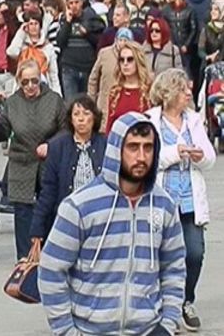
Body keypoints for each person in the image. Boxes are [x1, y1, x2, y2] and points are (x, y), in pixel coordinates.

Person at [39, 113, 186, 336]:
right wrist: (66, 330)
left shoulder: (164, 205)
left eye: (148, 148)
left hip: (148, 329)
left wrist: (168, 324)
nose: (141, 156)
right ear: (116, 149)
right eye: (133, 147)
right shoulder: (79, 206)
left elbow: (174, 268)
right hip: (89, 329)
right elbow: (51, 270)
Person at [145, 68, 216, 332]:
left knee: (194, 253)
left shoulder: (194, 120)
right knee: (162, 257)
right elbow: (150, 161)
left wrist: (199, 155)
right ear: (169, 93)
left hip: (189, 201)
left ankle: (186, 299)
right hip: (163, 200)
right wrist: (177, 151)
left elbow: (209, 157)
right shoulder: (151, 121)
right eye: (184, 90)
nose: (189, 93)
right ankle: (167, 310)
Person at [0, 59, 65, 259]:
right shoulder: (12, 103)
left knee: (50, 206)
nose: (30, 86)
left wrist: (51, 145)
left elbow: (65, 128)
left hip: (47, 160)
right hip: (21, 159)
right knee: (22, 210)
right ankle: (24, 257)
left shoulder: (54, 100)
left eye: (34, 81)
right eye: (25, 82)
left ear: (40, 79)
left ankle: (50, 254)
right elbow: (2, 130)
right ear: (18, 81)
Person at [29, 96, 106, 242]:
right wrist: (37, 228)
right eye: (76, 114)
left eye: (86, 113)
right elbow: (49, 190)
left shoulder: (105, 145)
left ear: (94, 117)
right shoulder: (58, 146)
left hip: (99, 218)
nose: (81, 119)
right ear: (70, 119)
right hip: (68, 219)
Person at [57, 0, 104, 98]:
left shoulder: (92, 18)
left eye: (76, 2)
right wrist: (68, 23)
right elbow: (60, 41)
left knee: (86, 103)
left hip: (87, 67)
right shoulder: (64, 20)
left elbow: (99, 42)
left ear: (82, 2)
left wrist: (87, 34)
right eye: (71, 3)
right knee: (71, 103)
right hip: (69, 66)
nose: (74, 6)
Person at [6, 11, 61, 95]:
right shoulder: (22, 44)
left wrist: (58, 95)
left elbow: (53, 74)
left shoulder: (48, 47)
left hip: (42, 86)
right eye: (31, 24)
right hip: (22, 87)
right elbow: (11, 52)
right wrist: (21, 32)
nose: (33, 27)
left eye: (36, 23)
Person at [105, 40, 152, 133]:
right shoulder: (115, 91)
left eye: (130, 59)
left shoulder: (149, 91)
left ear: (138, 61)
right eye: (122, 60)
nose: (125, 63)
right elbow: (110, 127)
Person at [162, 0, 197, 74]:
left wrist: (187, 44)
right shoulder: (166, 10)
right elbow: (164, 28)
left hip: (186, 48)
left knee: (186, 71)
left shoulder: (189, 9)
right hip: (171, 46)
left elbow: (194, 29)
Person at [0, 0, 18, 97]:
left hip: (9, 72)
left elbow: (14, 31)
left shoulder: (13, 29)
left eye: (1, 14)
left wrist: (7, 15)